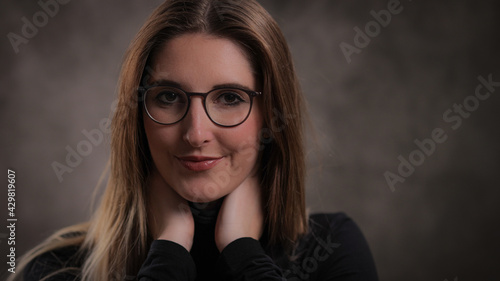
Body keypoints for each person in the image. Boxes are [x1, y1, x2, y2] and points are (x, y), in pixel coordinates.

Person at [13, 0, 378, 280]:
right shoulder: (56, 269)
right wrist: (169, 250)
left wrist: (242, 252)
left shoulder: (332, 249)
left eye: (231, 98)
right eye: (169, 97)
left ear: (272, 116)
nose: (196, 133)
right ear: (138, 116)